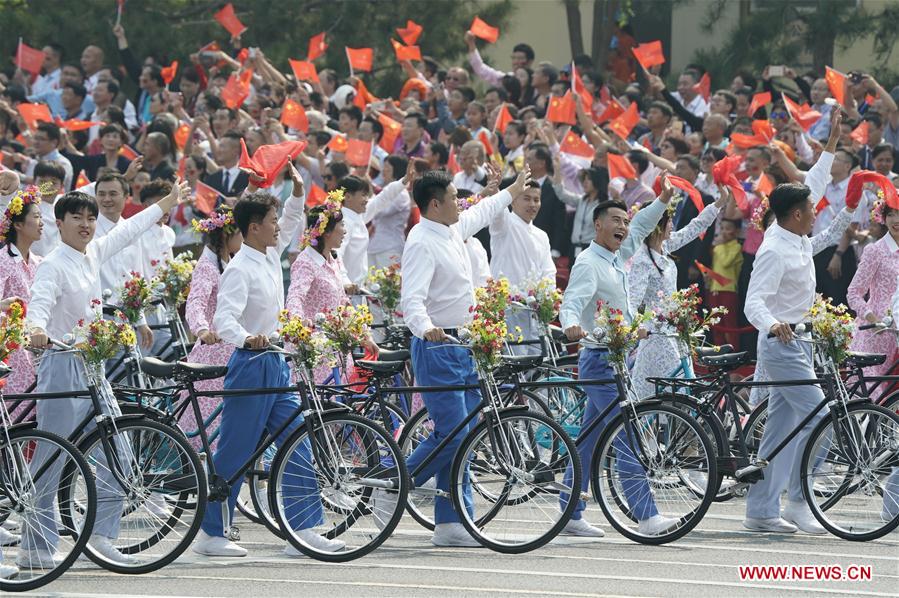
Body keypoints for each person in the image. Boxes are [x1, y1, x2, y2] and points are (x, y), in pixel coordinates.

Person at [25, 179, 190, 566]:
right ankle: (35, 548)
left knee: (119, 452)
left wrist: (166, 201)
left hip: (95, 368)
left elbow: (131, 229)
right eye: (77, 217)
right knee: (51, 457)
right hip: (62, 366)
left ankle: (101, 538)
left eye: (90, 218)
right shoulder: (52, 263)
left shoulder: (94, 252)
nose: (85, 224)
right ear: (59, 222)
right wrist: (36, 330)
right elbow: (40, 303)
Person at [191, 164, 342, 557]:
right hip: (251, 363)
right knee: (235, 451)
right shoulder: (239, 267)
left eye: (277, 220)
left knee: (298, 438)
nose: (279, 227)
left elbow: (292, 219)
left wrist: (297, 191)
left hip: (277, 362)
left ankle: (302, 529)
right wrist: (248, 337)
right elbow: (223, 319)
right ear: (253, 226)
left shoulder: (269, 253)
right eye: (271, 221)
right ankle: (211, 534)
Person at [401, 166, 532, 547]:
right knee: (453, 431)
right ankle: (398, 482)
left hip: (465, 345)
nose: (461, 203)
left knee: (468, 434)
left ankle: (452, 522)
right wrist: (425, 328)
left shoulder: (451, 229)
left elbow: (482, 211)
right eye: (454, 197)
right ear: (435, 203)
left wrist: (511, 191)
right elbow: (412, 298)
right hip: (438, 344)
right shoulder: (421, 240)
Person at [559, 176, 678, 538]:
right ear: (598, 225)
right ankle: (646, 515)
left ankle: (569, 513)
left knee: (591, 439)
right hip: (597, 359)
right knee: (625, 432)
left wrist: (661, 201)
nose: (624, 227)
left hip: (618, 358)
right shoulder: (587, 262)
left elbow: (643, 226)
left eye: (625, 222)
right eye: (616, 221)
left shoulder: (618, 255)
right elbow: (572, 301)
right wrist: (570, 326)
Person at [743, 178, 861, 534]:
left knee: (778, 432)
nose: (815, 213)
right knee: (820, 418)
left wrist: (850, 208)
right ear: (796, 213)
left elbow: (824, 238)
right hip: (782, 343)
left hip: (799, 343)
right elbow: (753, 301)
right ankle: (798, 502)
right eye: (812, 208)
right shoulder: (774, 249)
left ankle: (761, 512)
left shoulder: (797, 240)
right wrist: (772, 323)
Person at [628, 187, 728, 400]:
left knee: (677, 385)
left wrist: (718, 203)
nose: (673, 225)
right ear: (656, 225)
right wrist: (641, 327)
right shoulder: (642, 260)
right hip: (655, 333)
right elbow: (633, 300)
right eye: (669, 220)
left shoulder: (665, 247)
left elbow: (695, 228)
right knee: (667, 390)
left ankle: (672, 428)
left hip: (673, 329)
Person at [180, 206, 242, 449]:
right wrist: (202, 330)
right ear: (228, 235)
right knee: (210, 421)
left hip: (231, 348)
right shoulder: (207, 266)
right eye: (240, 233)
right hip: (213, 350)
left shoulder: (229, 261)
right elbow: (195, 302)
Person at [846, 199, 899, 375]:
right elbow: (854, 293)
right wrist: (872, 319)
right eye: (890, 214)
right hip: (877, 335)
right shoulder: (875, 250)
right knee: (874, 396)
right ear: (883, 218)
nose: (895, 220)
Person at [0, 185, 43, 396]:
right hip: (10, 349)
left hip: (36, 347)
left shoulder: (39, 262)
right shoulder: (4, 260)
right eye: (36, 217)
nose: (41, 222)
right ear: (17, 224)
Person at [708, 218, 744, 348]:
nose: (723, 232)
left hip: (729, 290)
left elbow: (725, 262)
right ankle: (719, 353)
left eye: (727, 229)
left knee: (729, 325)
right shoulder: (719, 247)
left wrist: (719, 246)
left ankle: (734, 354)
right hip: (714, 289)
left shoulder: (736, 246)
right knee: (716, 325)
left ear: (737, 231)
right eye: (721, 228)